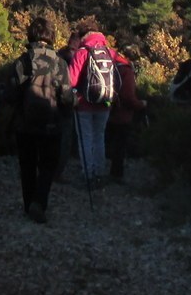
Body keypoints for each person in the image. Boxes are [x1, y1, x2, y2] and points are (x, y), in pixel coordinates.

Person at [3, 16, 74, 223]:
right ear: (51, 36)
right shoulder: (59, 63)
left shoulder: (22, 61)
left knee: (27, 165)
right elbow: (66, 95)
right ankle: (39, 203)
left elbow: (11, 94)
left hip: (25, 123)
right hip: (52, 124)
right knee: (47, 165)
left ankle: (28, 205)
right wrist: (69, 109)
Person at [66, 18, 114, 186]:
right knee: (99, 137)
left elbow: (71, 80)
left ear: (83, 35)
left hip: (83, 104)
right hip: (105, 103)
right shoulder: (109, 51)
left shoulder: (82, 52)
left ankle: (87, 174)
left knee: (86, 139)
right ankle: (100, 172)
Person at [107, 44, 147, 183]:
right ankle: (116, 174)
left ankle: (98, 170)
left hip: (107, 109)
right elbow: (128, 96)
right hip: (122, 113)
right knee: (120, 146)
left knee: (107, 142)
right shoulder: (127, 70)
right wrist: (141, 104)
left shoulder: (112, 65)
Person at [53, 30, 82, 183]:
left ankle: (48, 169)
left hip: (51, 101)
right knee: (65, 138)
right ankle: (58, 173)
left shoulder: (58, 54)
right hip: (66, 102)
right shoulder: (73, 57)